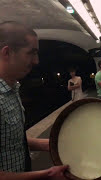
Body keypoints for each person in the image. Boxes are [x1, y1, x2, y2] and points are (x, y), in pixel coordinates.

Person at [0, 21, 68, 179]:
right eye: (31, 53)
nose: (36, 61)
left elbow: (13, 140)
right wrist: (47, 175)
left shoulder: (13, 89)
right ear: (7, 53)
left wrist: (50, 144)